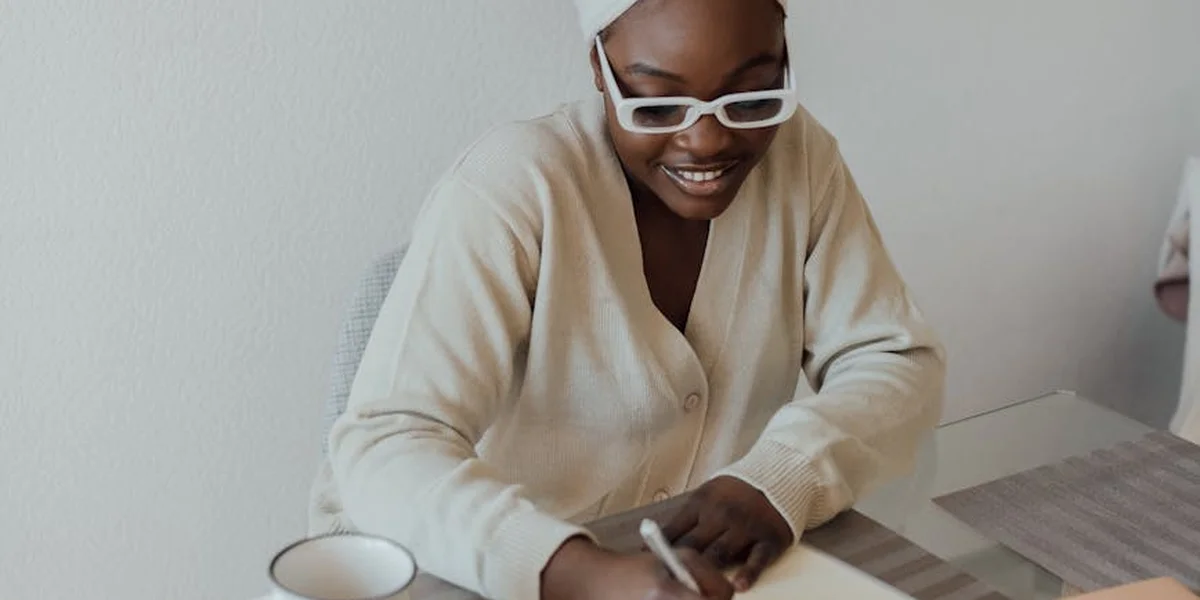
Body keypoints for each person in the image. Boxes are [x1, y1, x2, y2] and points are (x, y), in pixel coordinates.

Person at [308, 0, 946, 598]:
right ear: (600, 67)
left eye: (751, 96)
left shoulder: (802, 161)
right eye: (659, 105)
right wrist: (581, 575)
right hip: (473, 575)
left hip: (704, 574)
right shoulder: (513, 188)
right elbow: (385, 447)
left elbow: (895, 360)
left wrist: (782, 475)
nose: (706, 141)